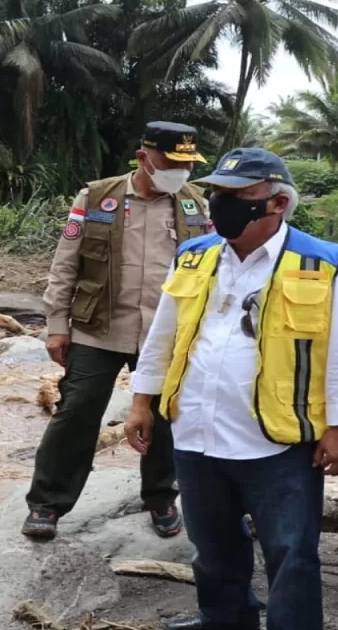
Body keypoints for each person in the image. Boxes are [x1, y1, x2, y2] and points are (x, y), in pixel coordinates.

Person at [124, 147, 338, 630]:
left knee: (291, 554)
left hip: (277, 438)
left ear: (278, 203)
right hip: (196, 428)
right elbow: (163, 333)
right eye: (218, 194)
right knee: (211, 539)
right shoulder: (194, 254)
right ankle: (227, 616)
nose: (220, 206)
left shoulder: (323, 262)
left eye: (238, 198)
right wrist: (142, 401)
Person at [22, 121, 212, 540]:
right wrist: (57, 326)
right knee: (77, 411)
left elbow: (211, 266)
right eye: (171, 162)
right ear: (144, 157)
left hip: (167, 332)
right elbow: (65, 262)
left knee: (164, 416)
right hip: (98, 327)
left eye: (188, 164)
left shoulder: (195, 203)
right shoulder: (96, 197)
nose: (181, 172)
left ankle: (161, 498)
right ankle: (47, 504)